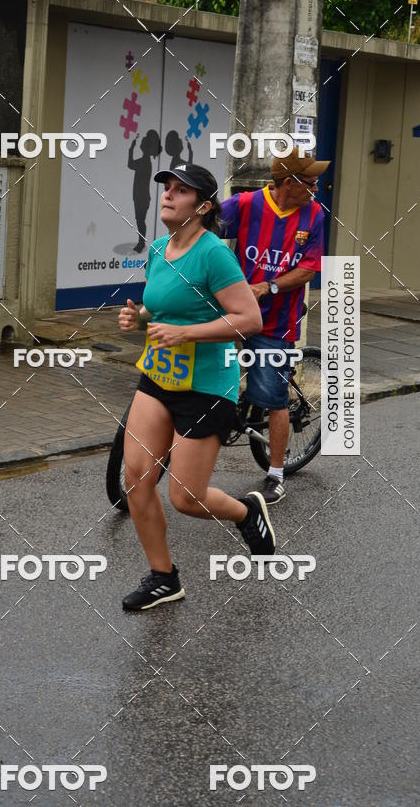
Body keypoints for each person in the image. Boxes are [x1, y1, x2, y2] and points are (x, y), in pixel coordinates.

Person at [118, 163, 276, 611]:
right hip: (159, 377)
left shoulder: (213, 255)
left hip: (207, 386)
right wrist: (139, 321)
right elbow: (163, 313)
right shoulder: (159, 249)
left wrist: (187, 334)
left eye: (180, 190)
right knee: (137, 481)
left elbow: (250, 320)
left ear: (202, 207)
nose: (168, 194)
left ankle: (246, 512)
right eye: (166, 187)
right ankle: (164, 578)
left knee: (186, 497)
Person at [220, 147, 329, 505]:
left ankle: (276, 474)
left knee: (273, 399)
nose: (316, 188)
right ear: (289, 183)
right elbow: (205, 230)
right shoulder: (247, 204)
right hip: (233, 311)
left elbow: (311, 267)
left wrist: (271, 285)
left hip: (277, 322)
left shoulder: (313, 214)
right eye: (310, 182)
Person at [127, 129, 162, 253]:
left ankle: (141, 243)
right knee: (140, 220)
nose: (141, 145)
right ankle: (141, 242)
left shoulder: (145, 162)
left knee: (140, 220)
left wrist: (131, 149)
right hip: (140, 196)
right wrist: (131, 149)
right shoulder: (145, 161)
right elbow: (131, 165)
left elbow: (130, 164)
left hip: (142, 197)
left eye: (142, 144)